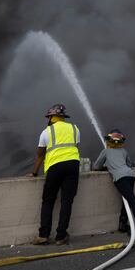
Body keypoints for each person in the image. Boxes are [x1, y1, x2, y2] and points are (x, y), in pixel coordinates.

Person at [28, 103, 81, 245]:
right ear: (63, 117)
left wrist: (34, 173)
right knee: (67, 201)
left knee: (48, 201)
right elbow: (75, 147)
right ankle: (61, 236)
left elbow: (40, 155)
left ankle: (43, 235)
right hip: (73, 166)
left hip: (54, 167)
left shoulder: (46, 132)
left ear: (51, 117)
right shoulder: (74, 129)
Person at [92, 128, 135, 237]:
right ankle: (123, 224)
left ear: (108, 141)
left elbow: (96, 166)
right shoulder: (124, 151)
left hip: (120, 178)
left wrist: (106, 166)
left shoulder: (106, 151)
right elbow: (129, 164)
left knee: (131, 200)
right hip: (131, 176)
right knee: (127, 199)